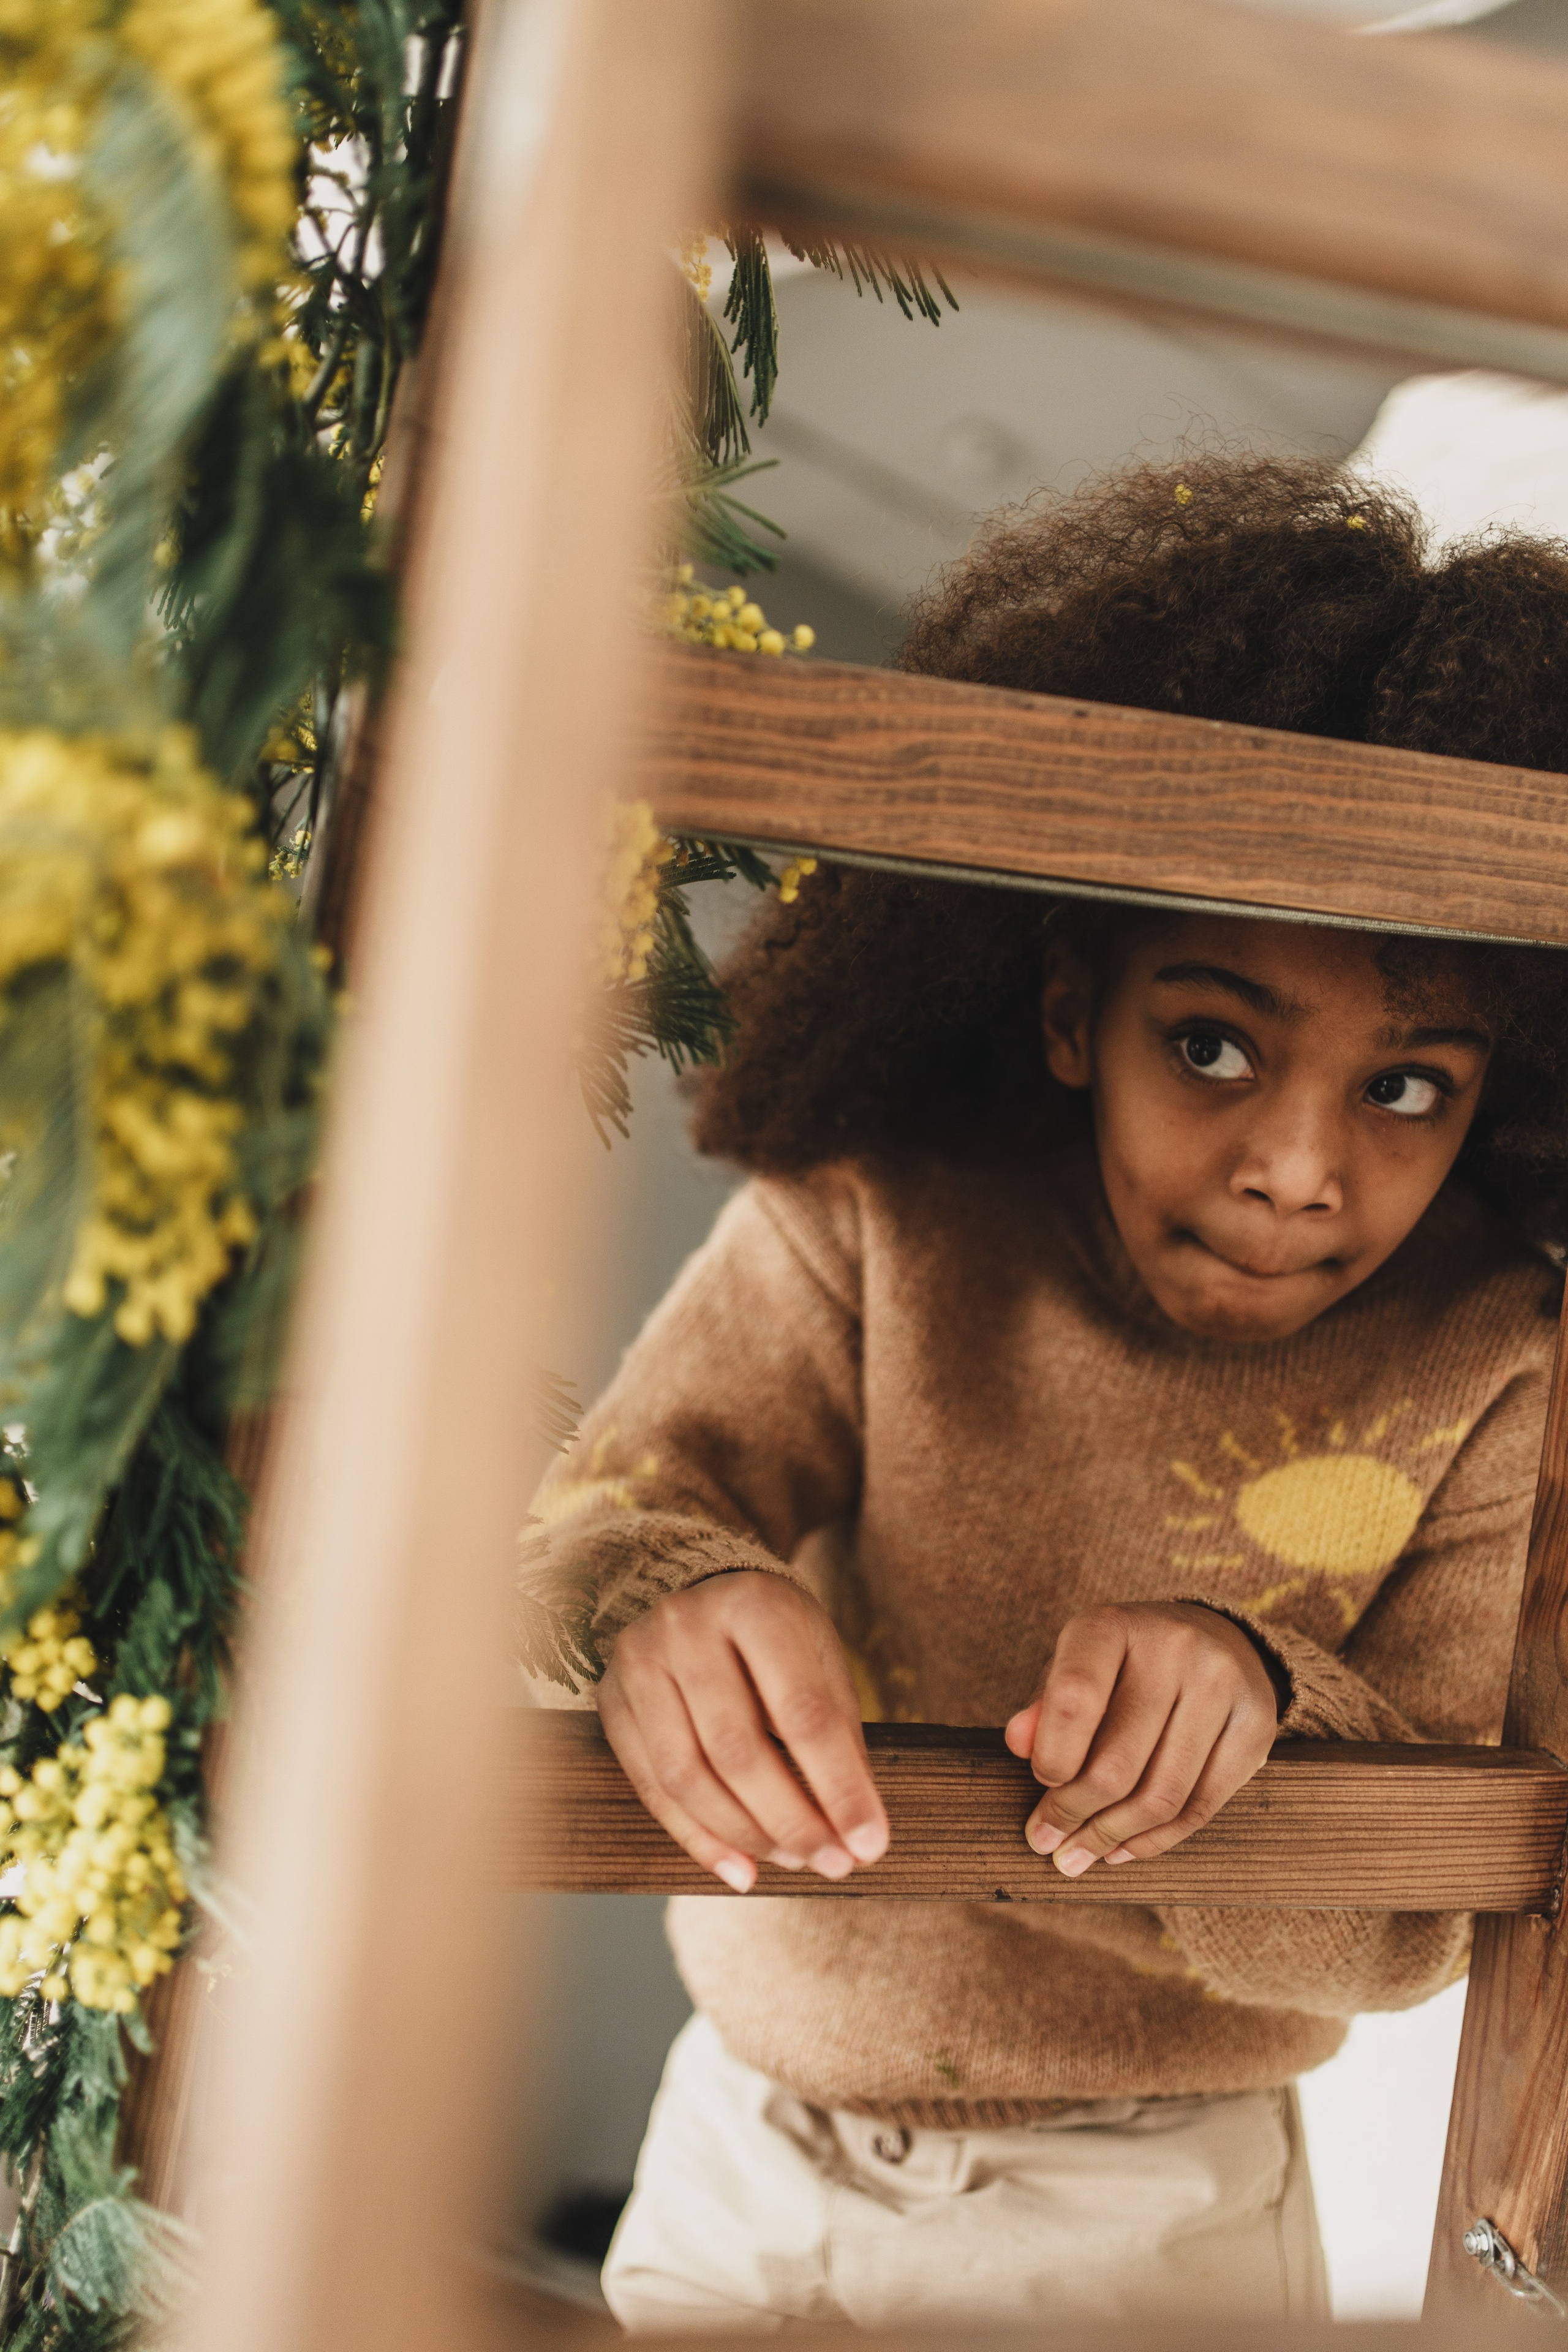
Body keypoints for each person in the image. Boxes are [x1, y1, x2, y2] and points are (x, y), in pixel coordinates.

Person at [524, 456, 1568, 2332]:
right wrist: (655, 1601)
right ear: (1071, 1004)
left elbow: (1415, 1919)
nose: (1301, 1169)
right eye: (1213, 1043)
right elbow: (608, 1509)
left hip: (1158, 2205)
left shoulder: (1495, 1355)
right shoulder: (878, 1211)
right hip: (748, 2140)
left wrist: (1262, 1699)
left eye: (1409, 1084)